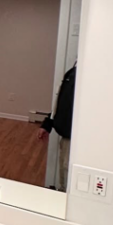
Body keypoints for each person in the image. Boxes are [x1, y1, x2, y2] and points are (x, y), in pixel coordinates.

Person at [38, 63, 76, 191]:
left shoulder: (89, 76)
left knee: (69, 177)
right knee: (64, 176)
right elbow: (60, 104)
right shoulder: (73, 72)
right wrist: (48, 124)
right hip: (66, 137)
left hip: (75, 139)